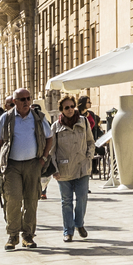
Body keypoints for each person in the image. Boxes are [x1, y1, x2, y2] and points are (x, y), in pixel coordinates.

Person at [0, 88, 54, 250]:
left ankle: (28, 236)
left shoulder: (38, 118)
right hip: (11, 165)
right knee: (12, 199)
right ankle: (13, 235)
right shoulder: (6, 118)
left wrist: (43, 158)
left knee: (31, 200)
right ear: (15, 102)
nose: (26, 102)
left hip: (33, 164)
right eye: (22, 99)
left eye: (28, 98)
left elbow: (50, 138)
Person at [52, 94, 94, 242]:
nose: (70, 110)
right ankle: (68, 231)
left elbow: (90, 142)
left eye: (72, 106)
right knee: (66, 201)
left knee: (82, 197)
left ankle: (79, 224)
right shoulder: (56, 127)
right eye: (66, 108)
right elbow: (51, 150)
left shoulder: (83, 122)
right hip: (64, 169)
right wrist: (54, 169)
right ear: (61, 110)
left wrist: (89, 156)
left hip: (82, 167)